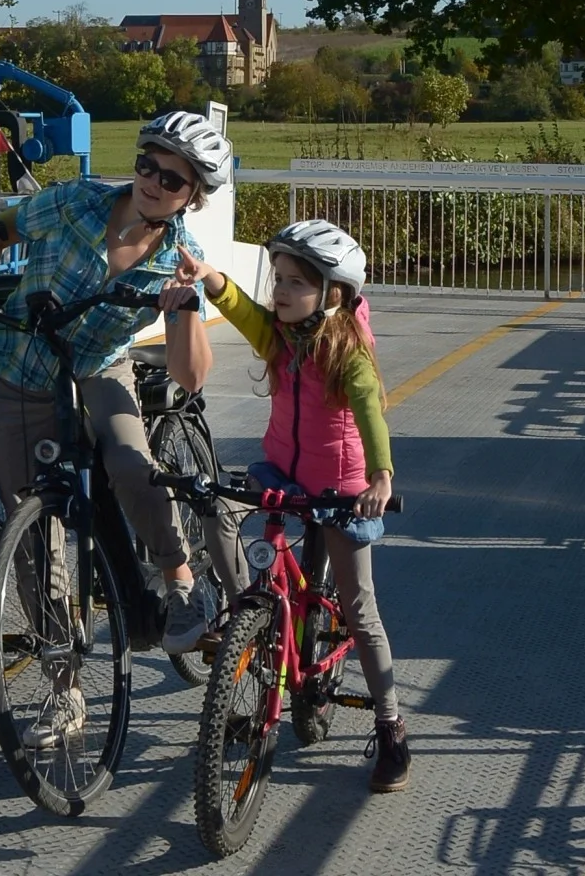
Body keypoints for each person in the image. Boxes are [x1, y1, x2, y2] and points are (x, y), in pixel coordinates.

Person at [0, 114, 225, 706]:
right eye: (148, 164)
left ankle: (178, 579)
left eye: (173, 179)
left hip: (98, 367)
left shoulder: (181, 258)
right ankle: (63, 683)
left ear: (192, 196)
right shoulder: (77, 200)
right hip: (15, 368)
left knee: (129, 461)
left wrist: (186, 309)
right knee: (33, 529)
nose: (153, 180)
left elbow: (191, 376)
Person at [176, 220, 412, 794]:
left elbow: (370, 415)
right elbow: (245, 312)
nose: (278, 291)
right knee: (218, 510)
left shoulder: (349, 355)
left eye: (295, 283)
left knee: (359, 606)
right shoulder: (280, 338)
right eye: (277, 278)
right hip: (282, 470)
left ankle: (391, 727)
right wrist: (211, 279)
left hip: (341, 483)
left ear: (331, 294)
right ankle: (247, 620)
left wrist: (380, 475)